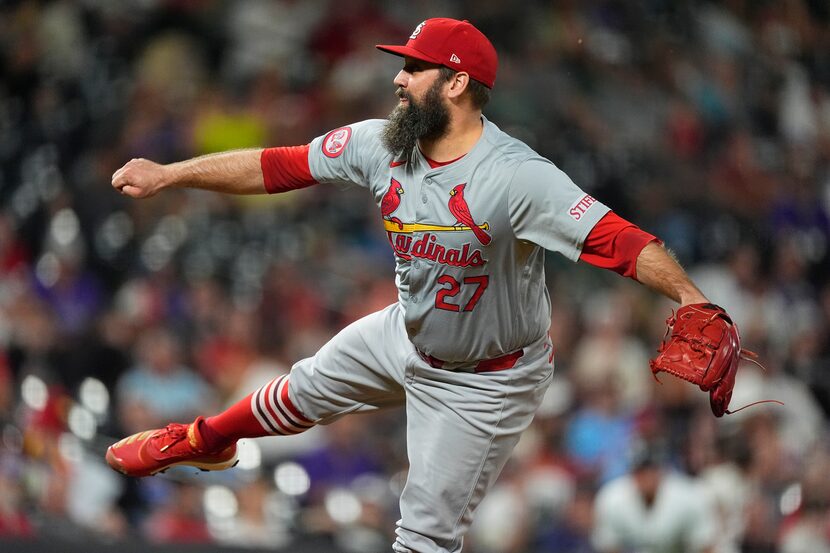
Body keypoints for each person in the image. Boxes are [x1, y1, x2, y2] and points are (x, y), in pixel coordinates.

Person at [106, 18, 712, 553]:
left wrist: (690, 295)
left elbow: (620, 239)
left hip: (486, 379)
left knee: (423, 538)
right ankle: (204, 441)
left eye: (415, 68)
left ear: (456, 84)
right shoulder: (381, 144)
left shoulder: (517, 177)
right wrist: (169, 175)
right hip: (409, 329)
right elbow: (278, 165)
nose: (399, 79)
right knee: (304, 387)